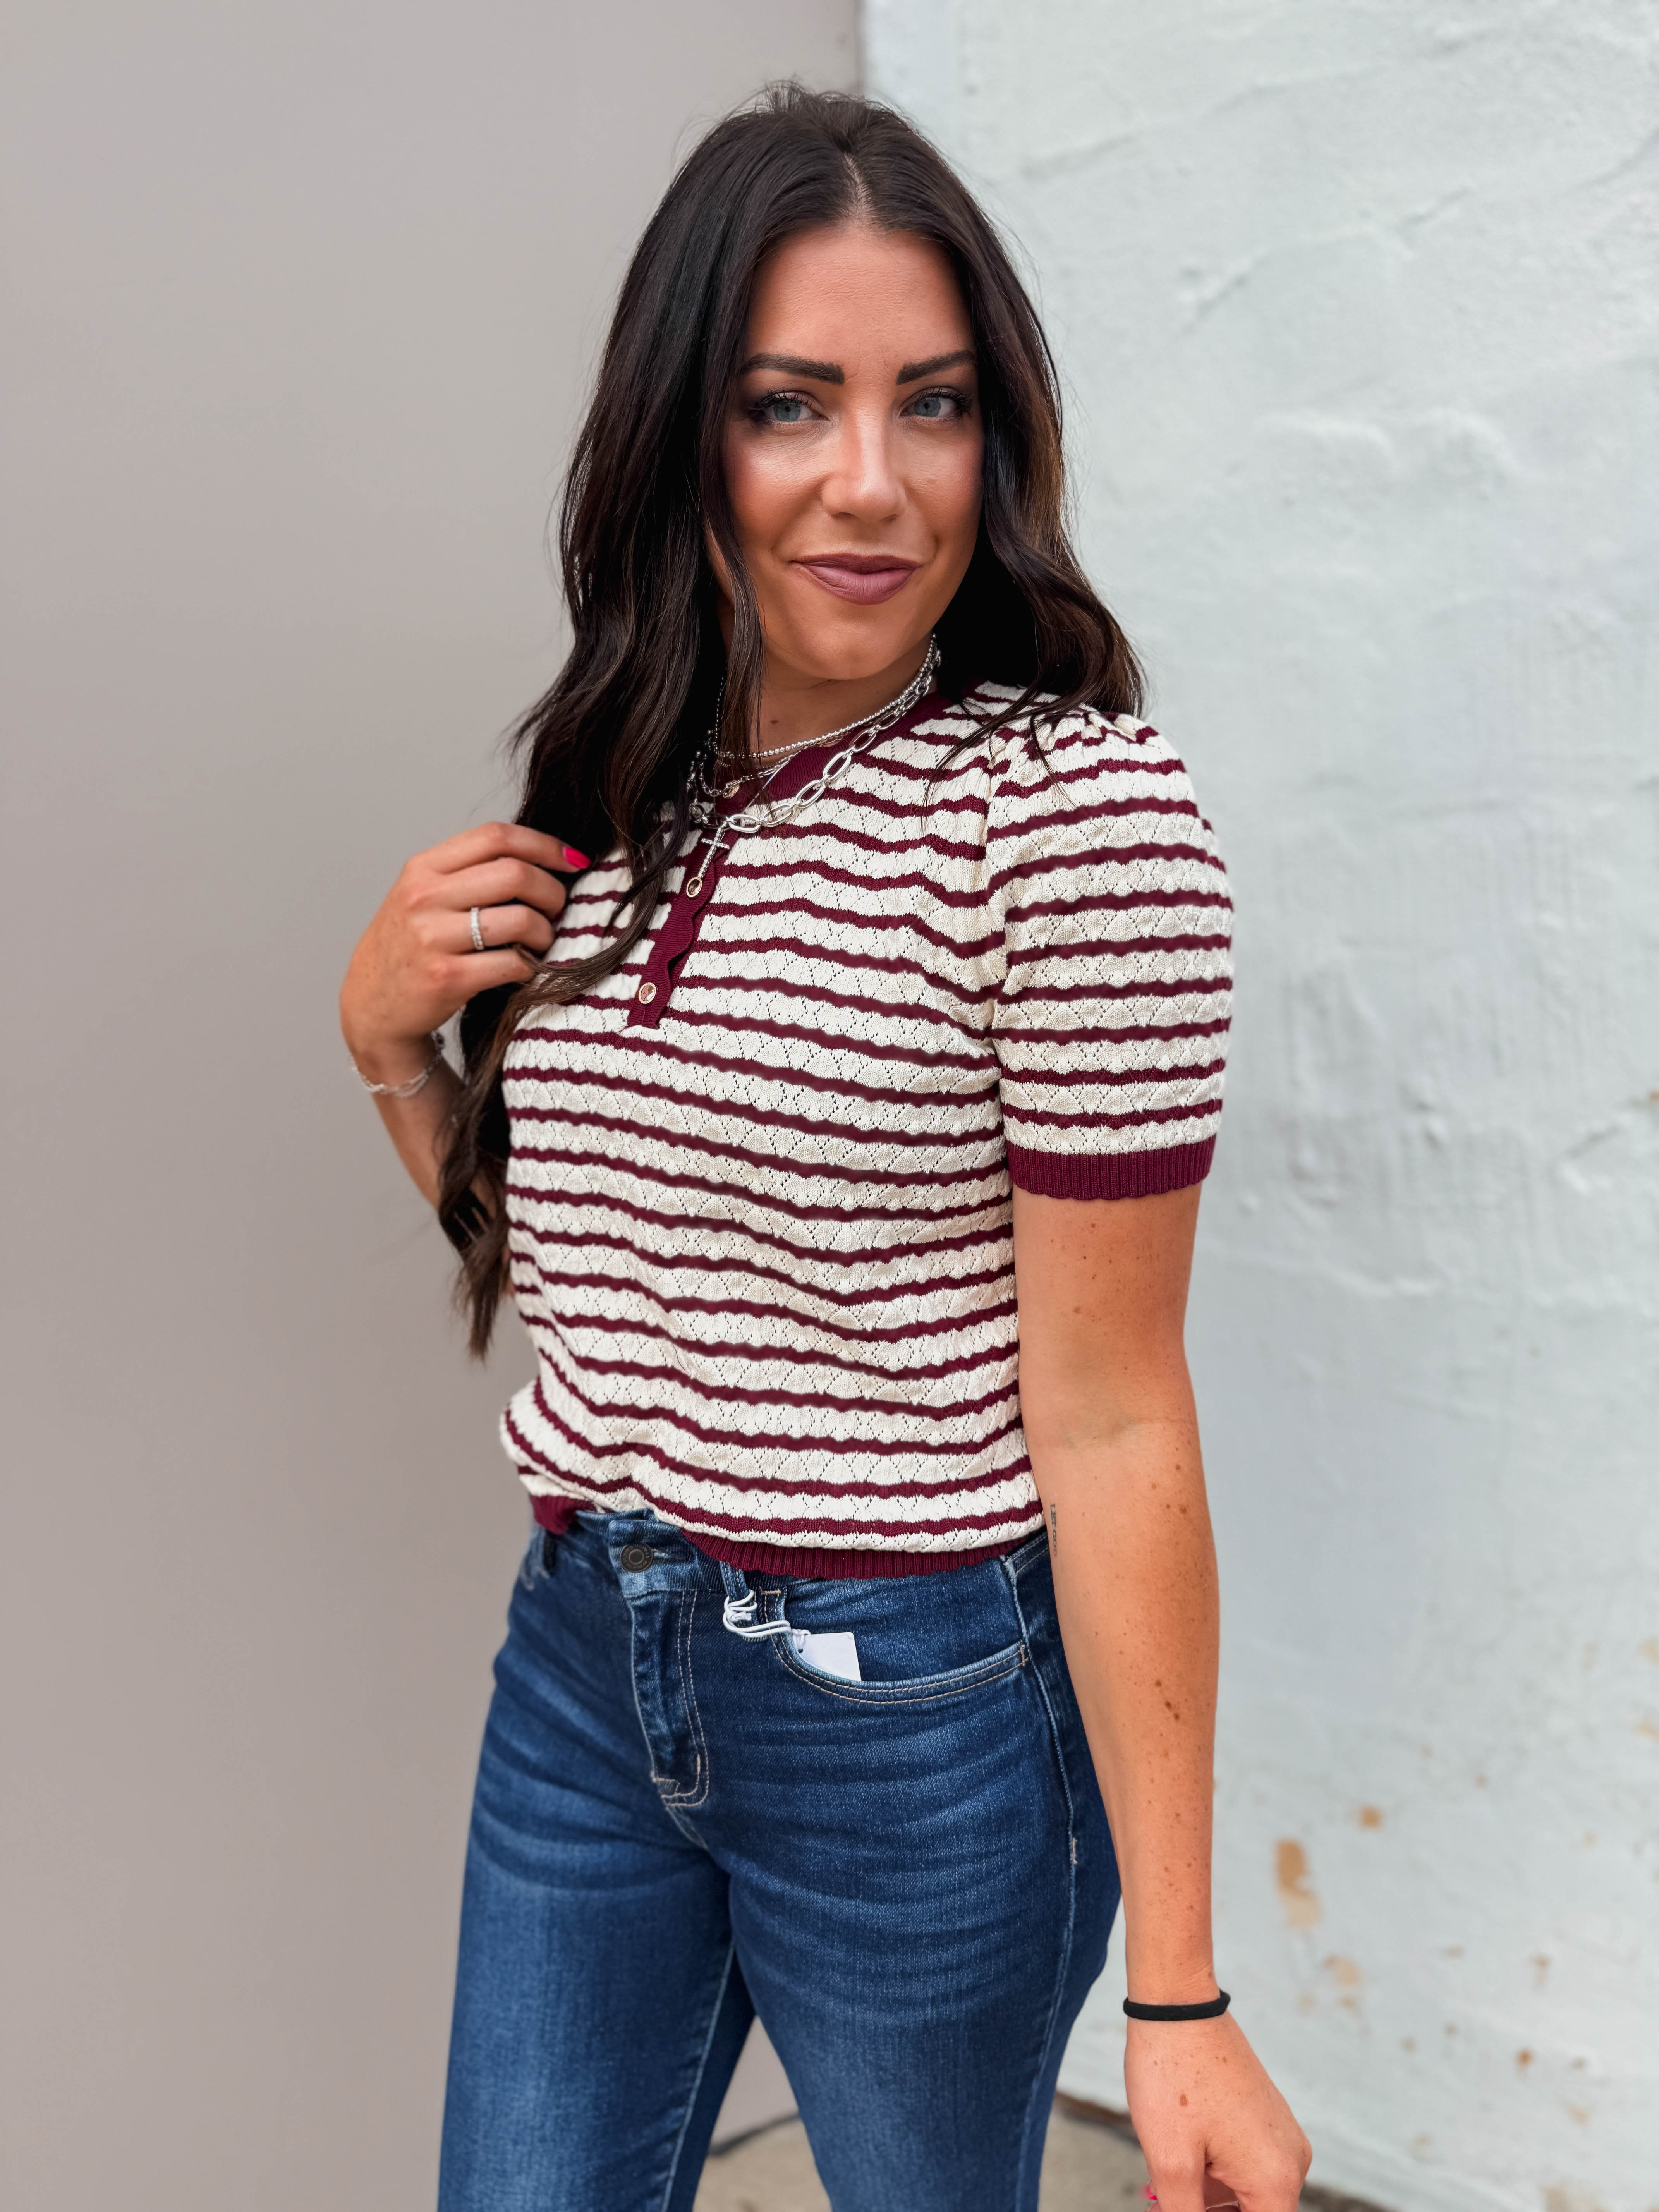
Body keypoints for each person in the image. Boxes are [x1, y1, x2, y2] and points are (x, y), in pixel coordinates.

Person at [340, 83, 1310, 2212]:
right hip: (587, 1663)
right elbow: (613, 1281)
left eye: (932, 405)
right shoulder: (622, 790)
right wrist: (391, 1050)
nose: (871, 481)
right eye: (789, 404)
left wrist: (1182, 1995)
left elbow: (1117, 1413)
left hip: (914, 1715)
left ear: (998, 442)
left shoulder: (1071, 819)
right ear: (679, 436)